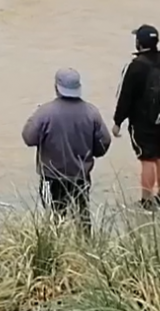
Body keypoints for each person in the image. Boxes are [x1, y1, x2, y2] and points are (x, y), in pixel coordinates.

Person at [22, 68, 111, 227]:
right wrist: (92, 153)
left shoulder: (45, 112)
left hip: (51, 177)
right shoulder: (92, 113)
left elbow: (28, 138)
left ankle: (53, 247)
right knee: (82, 216)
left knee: (53, 216)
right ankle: (85, 247)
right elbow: (104, 143)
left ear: (57, 87)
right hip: (81, 177)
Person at [112, 25, 160, 211]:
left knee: (147, 158)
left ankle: (146, 201)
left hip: (142, 120)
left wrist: (117, 122)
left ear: (139, 43)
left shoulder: (135, 66)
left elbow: (125, 96)